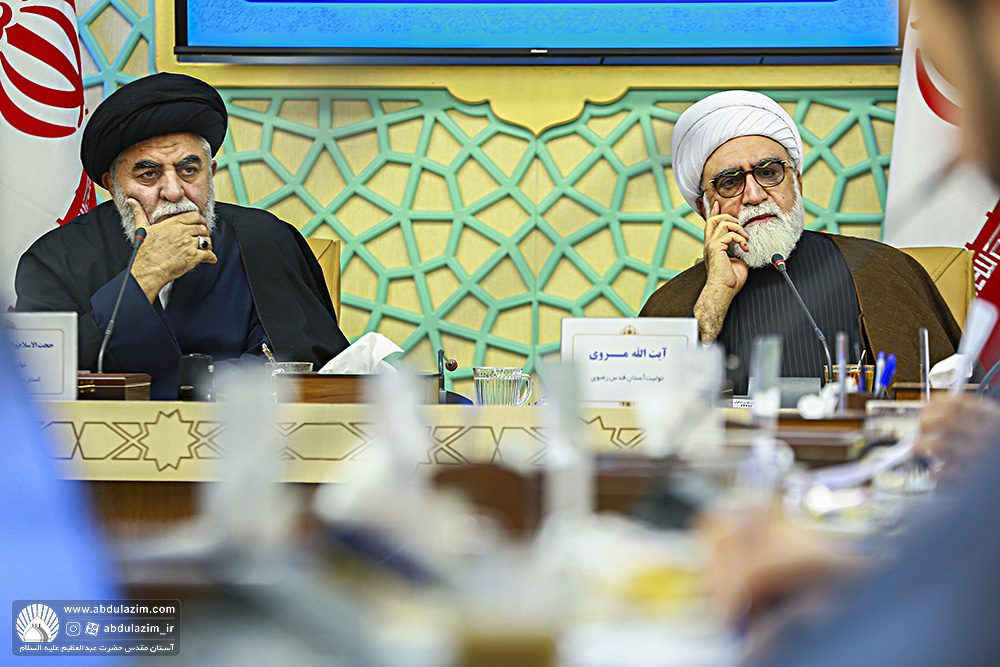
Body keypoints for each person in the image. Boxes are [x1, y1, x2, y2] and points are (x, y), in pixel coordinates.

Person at [15, 73, 350, 399]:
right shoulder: (55, 259)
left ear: (211, 173)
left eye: (189, 171)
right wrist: (142, 279)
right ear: (112, 187)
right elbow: (37, 378)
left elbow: (302, 365)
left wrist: (189, 387)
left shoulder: (262, 239)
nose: (174, 192)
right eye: (149, 175)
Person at [639, 91, 961, 394]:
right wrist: (715, 297)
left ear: (797, 183)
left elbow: (952, 398)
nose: (754, 195)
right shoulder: (672, 304)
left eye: (769, 173)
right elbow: (647, 406)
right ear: (704, 208)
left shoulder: (880, 269)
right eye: (730, 182)